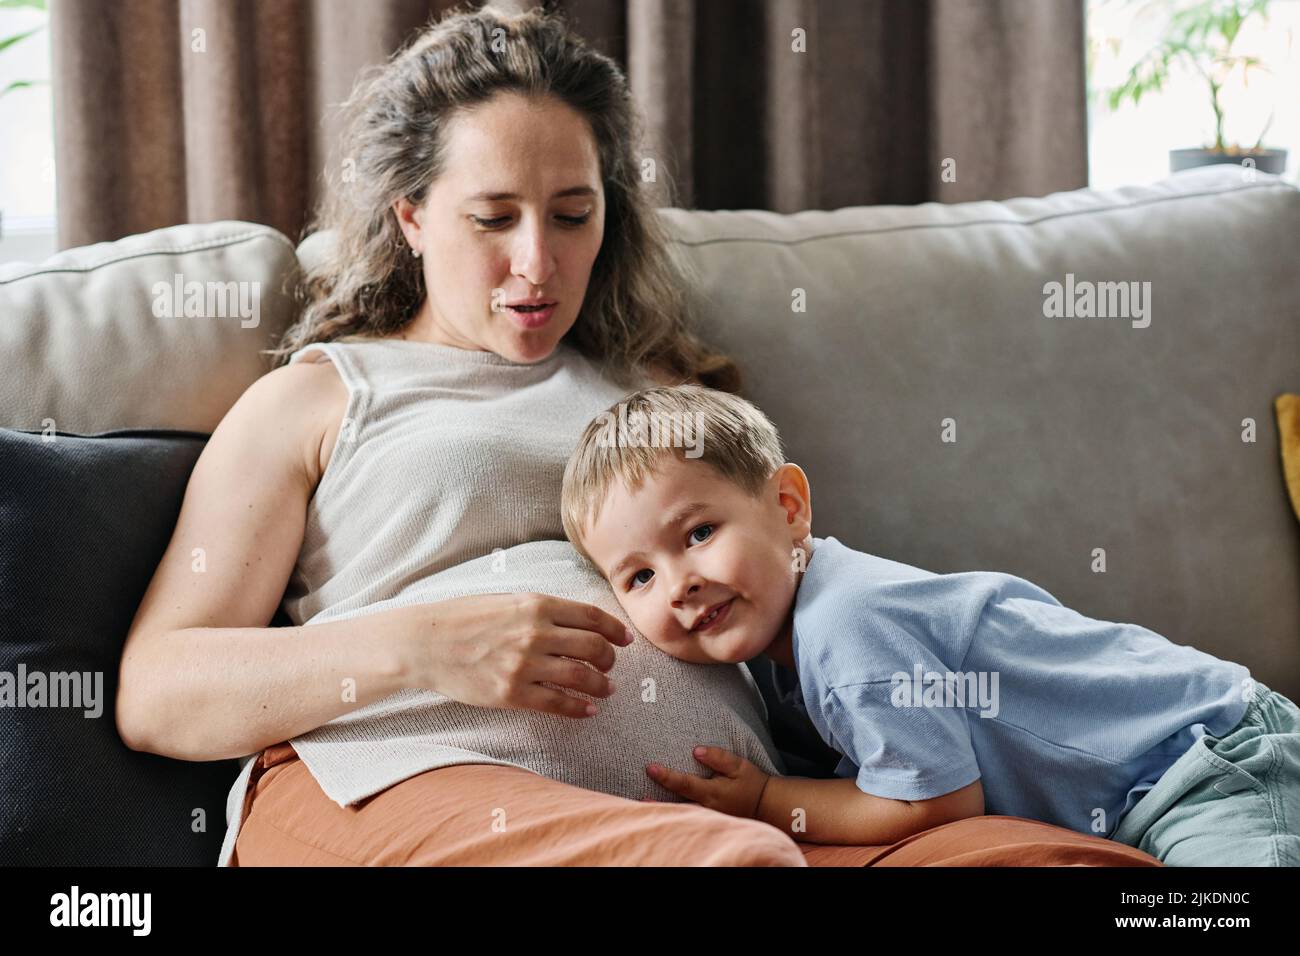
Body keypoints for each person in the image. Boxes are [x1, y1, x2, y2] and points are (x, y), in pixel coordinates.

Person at [115, 4, 1160, 868]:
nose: (537, 263)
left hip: (743, 822)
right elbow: (155, 692)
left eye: (572, 213)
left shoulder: (656, 391)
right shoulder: (321, 396)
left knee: (1078, 867)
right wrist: (422, 647)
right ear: (411, 218)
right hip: (398, 783)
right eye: (493, 219)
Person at [560, 382, 1300, 865]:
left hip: (1209, 760)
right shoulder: (778, 645)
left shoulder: (848, 623)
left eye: (696, 534)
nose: (681, 583)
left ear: (787, 510)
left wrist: (766, 802)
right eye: (641, 576)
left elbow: (933, 802)